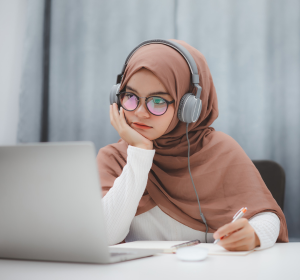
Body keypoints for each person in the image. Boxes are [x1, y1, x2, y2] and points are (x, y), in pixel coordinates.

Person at [97, 39, 289, 251]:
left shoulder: (220, 150)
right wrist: (140, 152)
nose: (140, 112)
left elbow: (268, 218)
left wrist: (254, 234)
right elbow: (105, 235)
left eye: (158, 101)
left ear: (188, 107)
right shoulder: (114, 158)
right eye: (130, 96)